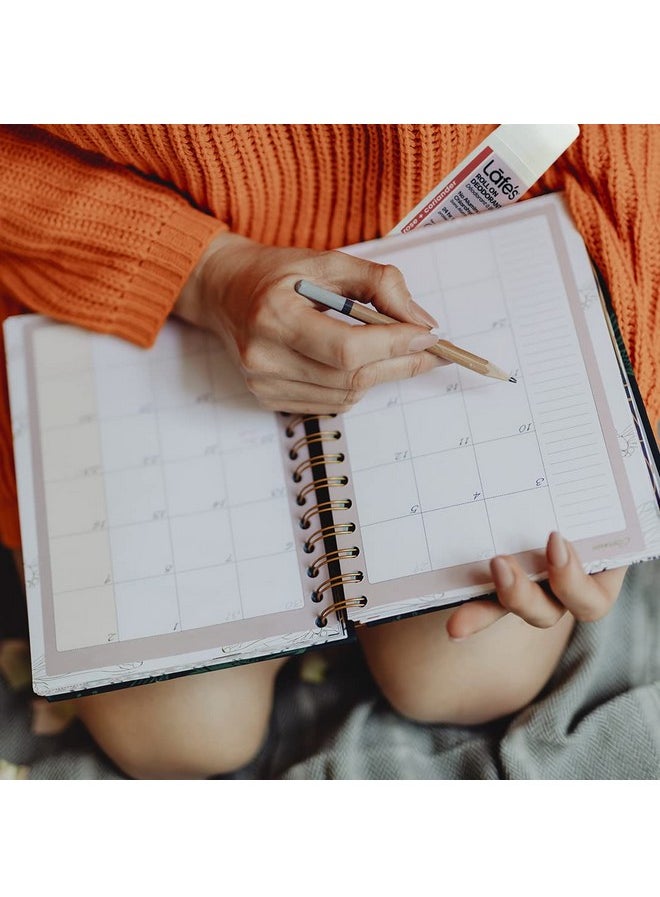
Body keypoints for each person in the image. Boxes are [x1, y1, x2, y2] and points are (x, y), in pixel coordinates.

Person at [0, 124, 656, 779]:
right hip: (123, 280)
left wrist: (625, 429)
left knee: (468, 681)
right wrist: (200, 272)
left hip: (469, 254)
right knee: (178, 742)